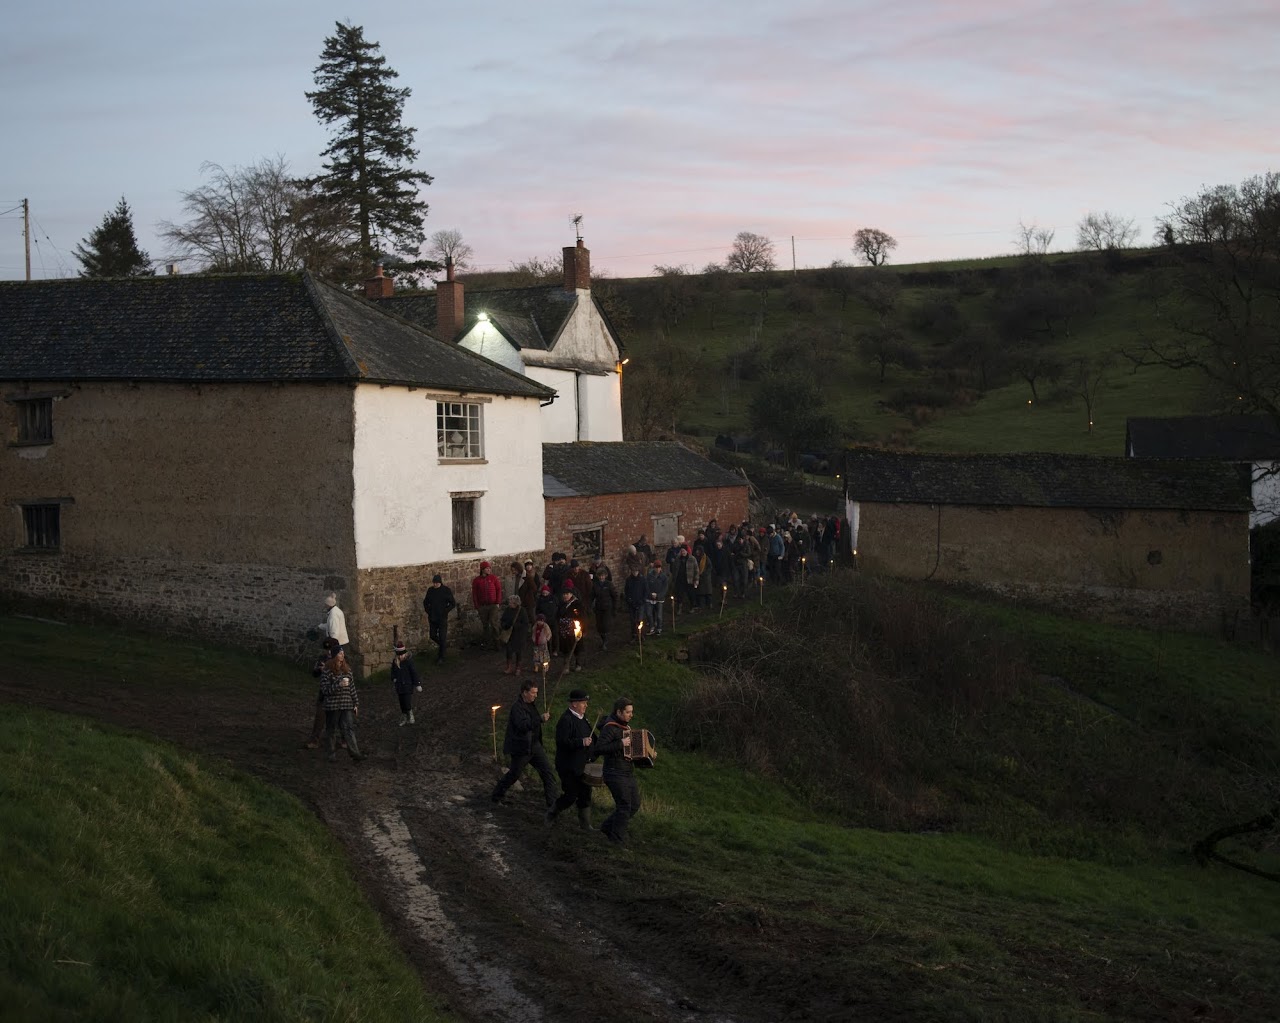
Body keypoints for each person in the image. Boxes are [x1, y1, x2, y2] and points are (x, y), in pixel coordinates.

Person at [491, 679, 557, 807]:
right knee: (514, 774)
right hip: (522, 749)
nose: (535, 695)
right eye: (533, 693)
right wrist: (540, 719)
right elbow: (523, 725)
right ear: (524, 692)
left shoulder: (531, 704)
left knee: (547, 773)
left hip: (535, 746)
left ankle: (552, 806)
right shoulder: (517, 708)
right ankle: (496, 796)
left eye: (536, 693)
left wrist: (540, 720)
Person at [546, 688, 596, 830]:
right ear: (574, 704)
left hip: (582, 765)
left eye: (586, 702)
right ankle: (552, 813)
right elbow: (562, 742)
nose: (586, 705)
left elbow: (593, 739)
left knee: (586, 794)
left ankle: (585, 825)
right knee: (570, 795)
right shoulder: (566, 720)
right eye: (583, 703)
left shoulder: (584, 720)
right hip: (568, 766)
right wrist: (581, 742)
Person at [593, 696, 641, 845]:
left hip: (627, 771)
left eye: (631, 712)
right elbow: (599, 748)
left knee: (634, 804)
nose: (631, 715)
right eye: (628, 712)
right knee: (625, 805)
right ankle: (616, 840)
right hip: (614, 772)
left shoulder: (626, 727)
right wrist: (620, 743)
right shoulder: (610, 728)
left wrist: (648, 755)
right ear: (619, 712)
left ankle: (607, 828)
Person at [319, 649, 363, 762]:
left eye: (343, 653)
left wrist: (356, 703)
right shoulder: (327, 672)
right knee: (331, 730)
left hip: (346, 704)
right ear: (334, 656)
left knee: (348, 729)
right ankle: (331, 755)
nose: (342, 655)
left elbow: (352, 688)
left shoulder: (347, 670)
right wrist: (338, 684)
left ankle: (355, 753)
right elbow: (325, 690)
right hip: (332, 706)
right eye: (340, 653)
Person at [304, 636, 338, 749]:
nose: (328, 652)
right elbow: (314, 674)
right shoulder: (322, 658)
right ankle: (314, 740)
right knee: (320, 717)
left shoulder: (341, 659)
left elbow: (344, 674)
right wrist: (319, 669)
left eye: (330, 650)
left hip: (339, 696)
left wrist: (329, 669)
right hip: (324, 694)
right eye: (326, 650)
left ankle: (344, 740)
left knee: (342, 721)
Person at [423, 574, 457, 664]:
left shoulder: (446, 590)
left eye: (436, 583)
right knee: (432, 635)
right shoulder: (430, 591)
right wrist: (429, 611)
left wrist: (445, 611)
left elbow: (453, 603)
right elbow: (425, 602)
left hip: (442, 618)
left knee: (442, 637)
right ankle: (443, 646)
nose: (435, 585)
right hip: (433, 617)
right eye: (434, 583)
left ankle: (441, 657)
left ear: (440, 582)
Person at [472, 561, 503, 650]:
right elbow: (474, 593)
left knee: (494, 623)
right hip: (483, 606)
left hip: (493, 605)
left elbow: (498, 589)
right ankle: (487, 643)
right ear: (482, 570)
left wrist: (497, 602)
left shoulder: (494, 578)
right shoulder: (477, 580)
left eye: (489, 568)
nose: (489, 570)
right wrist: (477, 606)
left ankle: (497, 642)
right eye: (487, 568)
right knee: (485, 625)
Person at [390, 640, 422, 726]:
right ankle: (404, 717)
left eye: (402, 654)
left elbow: (414, 673)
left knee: (407, 701)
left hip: (407, 686)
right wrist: (394, 678)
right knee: (402, 702)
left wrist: (417, 684)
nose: (400, 656)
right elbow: (393, 672)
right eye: (399, 655)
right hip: (399, 686)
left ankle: (411, 716)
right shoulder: (395, 662)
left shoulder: (409, 662)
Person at [556, 581, 586, 672]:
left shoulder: (577, 604)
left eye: (567, 594)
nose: (565, 596)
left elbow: (582, 617)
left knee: (576, 648)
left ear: (571, 594)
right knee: (565, 650)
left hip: (575, 630)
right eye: (564, 594)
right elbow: (558, 615)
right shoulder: (561, 604)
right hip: (564, 632)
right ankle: (566, 666)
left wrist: (583, 630)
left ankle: (578, 664)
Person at [500, 594, 531, 675]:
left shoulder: (522, 611)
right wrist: (505, 625)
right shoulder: (507, 610)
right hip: (510, 634)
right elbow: (502, 620)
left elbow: (526, 624)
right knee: (509, 651)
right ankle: (509, 667)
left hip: (519, 635)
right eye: (509, 602)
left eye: (511, 602)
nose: (509, 604)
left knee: (519, 652)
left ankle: (518, 668)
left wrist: (517, 626)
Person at [592, 565, 618, 651]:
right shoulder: (595, 585)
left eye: (603, 575)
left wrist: (614, 608)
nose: (601, 577)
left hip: (607, 607)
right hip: (598, 607)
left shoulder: (609, 584)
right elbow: (592, 596)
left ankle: (605, 641)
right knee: (599, 626)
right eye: (600, 576)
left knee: (605, 625)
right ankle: (603, 639)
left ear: (605, 576)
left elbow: (614, 596)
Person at [645, 560, 669, 635]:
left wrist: (658, 596)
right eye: (656, 567)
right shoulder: (649, 575)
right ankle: (652, 628)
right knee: (649, 614)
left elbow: (665, 589)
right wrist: (650, 594)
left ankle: (659, 628)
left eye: (659, 567)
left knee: (659, 615)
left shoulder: (664, 577)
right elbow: (646, 586)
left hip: (659, 599)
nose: (658, 569)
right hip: (650, 598)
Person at [623, 563, 647, 641]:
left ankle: (641, 634)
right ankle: (634, 635)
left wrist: (642, 600)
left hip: (640, 603)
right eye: (633, 571)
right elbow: (626, 591)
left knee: (640, 620)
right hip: (632, 603)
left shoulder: (642, 579)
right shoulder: (629, 580)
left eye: (636, 571)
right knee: (633, 620)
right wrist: (629, 600)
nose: (635, 573)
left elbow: (645, 591)